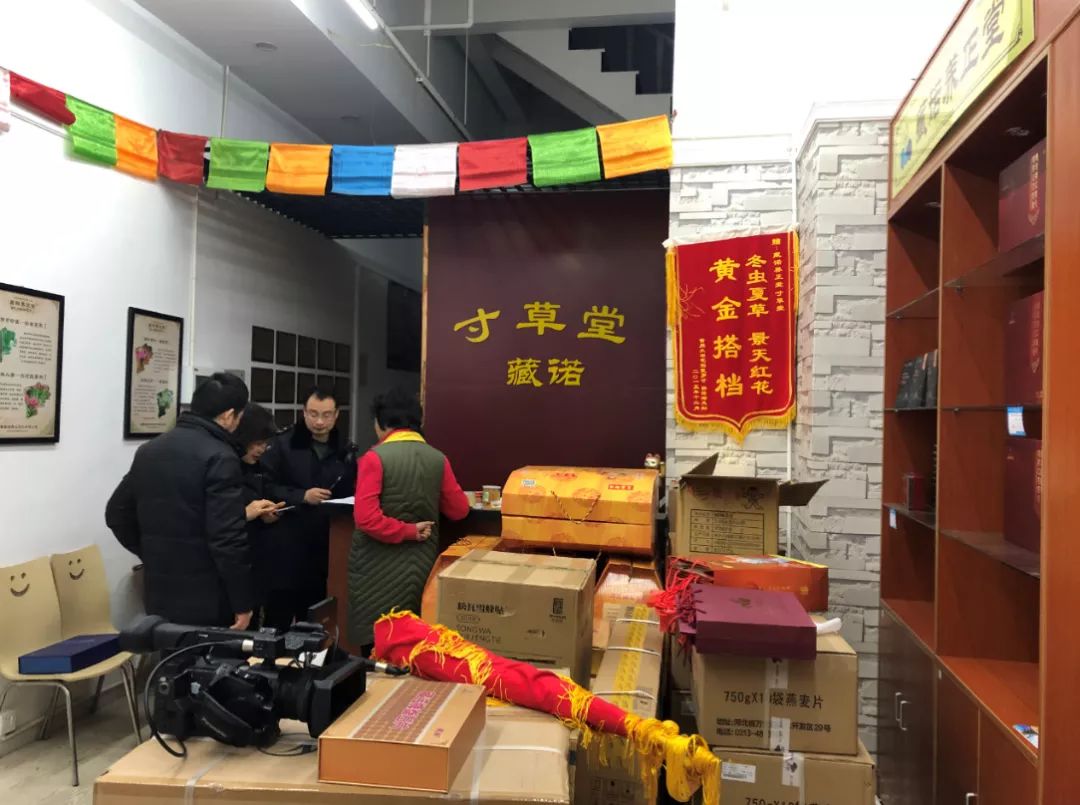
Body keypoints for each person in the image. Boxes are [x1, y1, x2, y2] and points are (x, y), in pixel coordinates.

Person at [105, 373, 254, 628]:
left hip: (159, 590)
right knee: (208, 654)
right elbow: (227, 539)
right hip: (208, 594)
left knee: (168, 650)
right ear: (229, 416)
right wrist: (242, 601)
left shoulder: (149, 450)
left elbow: (116, 513)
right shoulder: (221, 457)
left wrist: (152, 554)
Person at [348, 387, 470, 655]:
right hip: (421, 569)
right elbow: (459, 510)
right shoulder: (438, 458)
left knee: (377, 648)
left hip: (374, 573)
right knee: (414, 647)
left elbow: (366, 519)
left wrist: (407, 530)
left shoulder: (374, 458)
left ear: (381, 423)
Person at [260, 386, 358, 631]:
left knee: (315, 623)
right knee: (278, 620)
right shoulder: (283, 444)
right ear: (303, 413)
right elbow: (265, 487)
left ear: (336, 415)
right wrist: (302, 496)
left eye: (326, 415)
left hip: (324, 548)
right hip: (286, 546)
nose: (319, 422)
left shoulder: (345, 449)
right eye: (313, 414)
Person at [232, 402, 285, 625]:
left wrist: (268, 514)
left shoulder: (261, 468)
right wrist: (245, 513)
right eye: (257, 443)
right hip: (233, 564)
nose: (262, 449)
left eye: (265, 444)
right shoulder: (224, 467)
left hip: (258, 560)